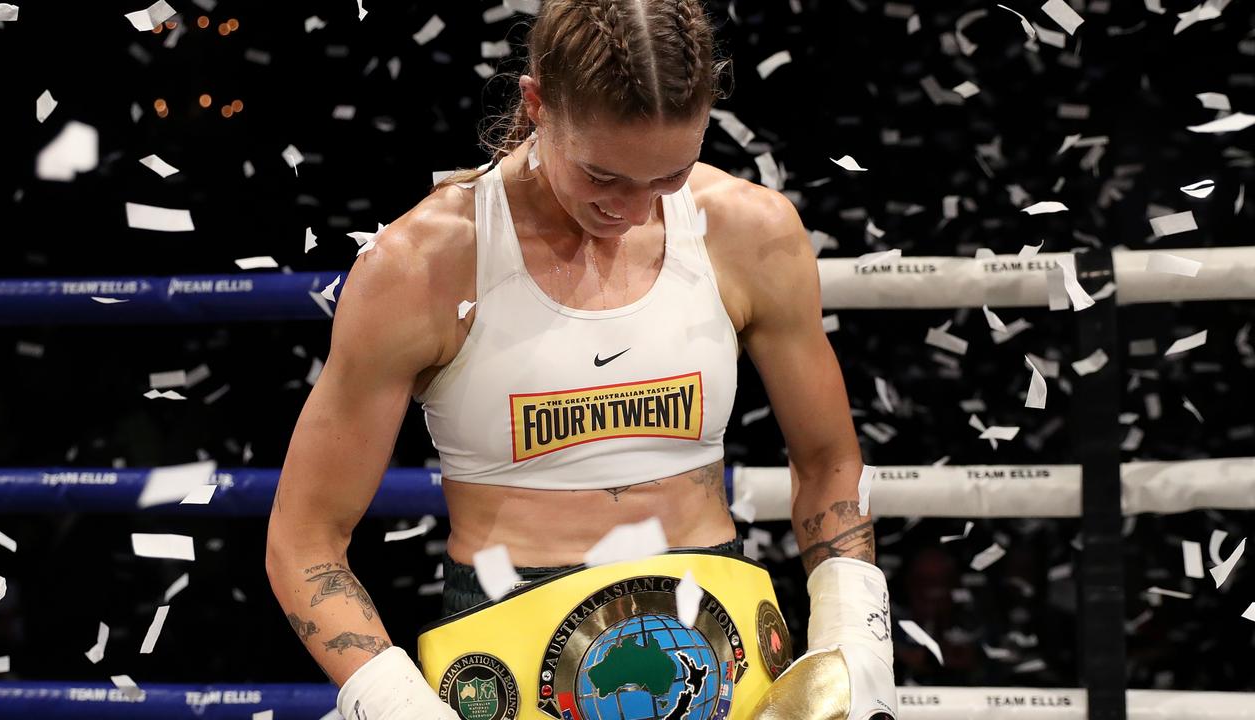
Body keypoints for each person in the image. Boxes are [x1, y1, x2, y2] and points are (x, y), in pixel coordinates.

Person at [265, 1, 897, 718]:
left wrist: (858, 637)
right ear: (536, 105)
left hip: (722, 643)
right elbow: (305, 536)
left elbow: (828, 462)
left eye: (668, 176)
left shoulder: (748, 230)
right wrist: (392, 701)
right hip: (507, 649)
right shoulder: (422, 266)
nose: (631, 209)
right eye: (602, 177)